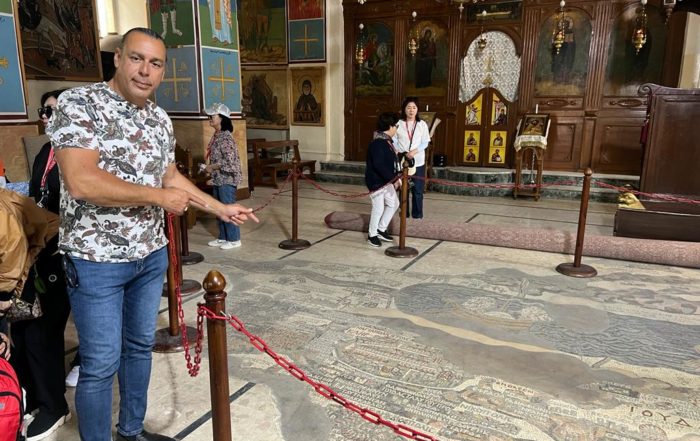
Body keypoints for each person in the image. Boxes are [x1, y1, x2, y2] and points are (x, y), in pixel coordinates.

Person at [47, 28, 258, 441]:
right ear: (118, 59)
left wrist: (220, 206)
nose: (145, 71)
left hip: (149, 254)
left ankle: (130, 431)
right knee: (101, 362)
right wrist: (158, 197)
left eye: (156, 63)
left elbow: (171, 176)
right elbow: (80, 180)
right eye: (137, 59)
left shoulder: (159, 119)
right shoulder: (81, 103)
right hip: (96, 259)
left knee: (139, 347)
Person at [10, 89, 74, 441]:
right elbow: (39, 197)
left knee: (44, 331)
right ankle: (33, 398)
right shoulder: (46, 152)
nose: (46, 118)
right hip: (40, 251)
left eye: (53, 111)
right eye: (43, 111)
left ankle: (54, 406)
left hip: (65, 254)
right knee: (25, 330)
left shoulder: (77, 155)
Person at [205, 103, 244, 250]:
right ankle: (223, 237)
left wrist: (212, 167)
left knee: (228, 208)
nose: (210, 118)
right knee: (219, 209)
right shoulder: (217, 136)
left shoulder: (226, 138)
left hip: (226, 180)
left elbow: (230, 162)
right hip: (218, 179)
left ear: (221, 118)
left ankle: (234, 239)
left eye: (212, 116)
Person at [365, 112, 401, 247]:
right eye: (396, 126)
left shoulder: (386, 141)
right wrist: (394, 179)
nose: (397, 129)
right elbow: (379, 165)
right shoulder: (378, 143)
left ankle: (381, 228)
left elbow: (390, 162)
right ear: (390, 126)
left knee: (393, 203)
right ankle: (372, 235)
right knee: (378, 207)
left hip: (386, 180)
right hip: (376, 181)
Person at [395, 97, 430, 219]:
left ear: (417, 109)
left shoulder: (422, 124)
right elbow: (393, 140)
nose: (411, 110)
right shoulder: (398, 124)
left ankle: (417, 215)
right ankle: (404, 214)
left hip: (418, 161)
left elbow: (425, 142)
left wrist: (414, 152)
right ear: (404, 109)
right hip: (403, 161)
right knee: (403, 189)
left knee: (418, 190)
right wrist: (400, 151)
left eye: (414, 108)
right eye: (408, 108)